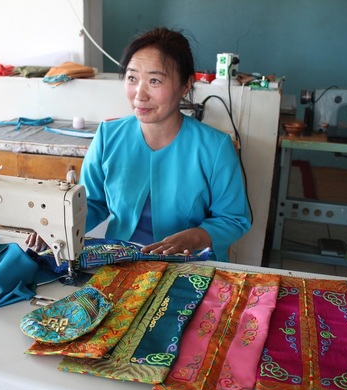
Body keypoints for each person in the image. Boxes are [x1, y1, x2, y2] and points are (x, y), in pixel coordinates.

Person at [29, 27, 251, 262]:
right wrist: (58, 225)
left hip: (190, 264)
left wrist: (195, 237)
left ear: (186, 85)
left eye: (155, 80)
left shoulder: (215, 147)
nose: (139, 95)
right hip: (121, 261)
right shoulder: (108, 136)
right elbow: (92, 203)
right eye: (132, 78)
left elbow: (233, 219)